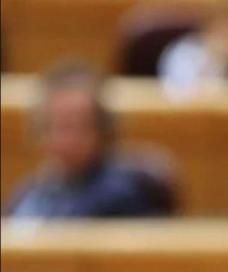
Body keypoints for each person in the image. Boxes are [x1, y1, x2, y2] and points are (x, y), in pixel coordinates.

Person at [6, 62, 170, 218]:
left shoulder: (121, 194)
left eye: (76, 126)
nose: (65, 139)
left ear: (103, 129)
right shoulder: (32, 190)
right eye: (55, 126)